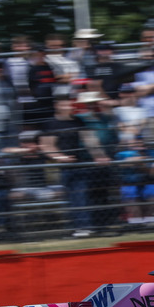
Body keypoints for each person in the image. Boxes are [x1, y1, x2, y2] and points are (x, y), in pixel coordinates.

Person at [39, 97, 110, 237]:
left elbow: (90, 140)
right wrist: (60, 157)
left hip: (79, 163)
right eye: (64, 103)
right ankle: (80, 227)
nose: (67, 106)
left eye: (68, 103)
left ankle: (86, 227)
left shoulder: (77, 121)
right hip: (61, 167)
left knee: (82, 196)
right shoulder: (51, 123)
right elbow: (46, 146)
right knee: (75, 197)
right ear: (57, 106)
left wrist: (99, 155)